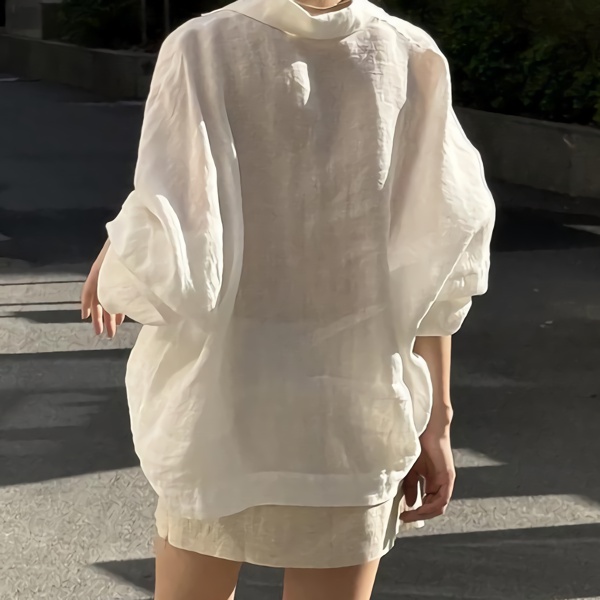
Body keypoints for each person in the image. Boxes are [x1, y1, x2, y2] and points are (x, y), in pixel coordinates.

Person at [81, 0, 495, 597]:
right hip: (355, 412)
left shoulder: (204, 47)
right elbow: (440, 259)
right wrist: (437, 421)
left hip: (222, 409)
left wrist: (120, 248)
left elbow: (176, 240)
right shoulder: (410, 54)